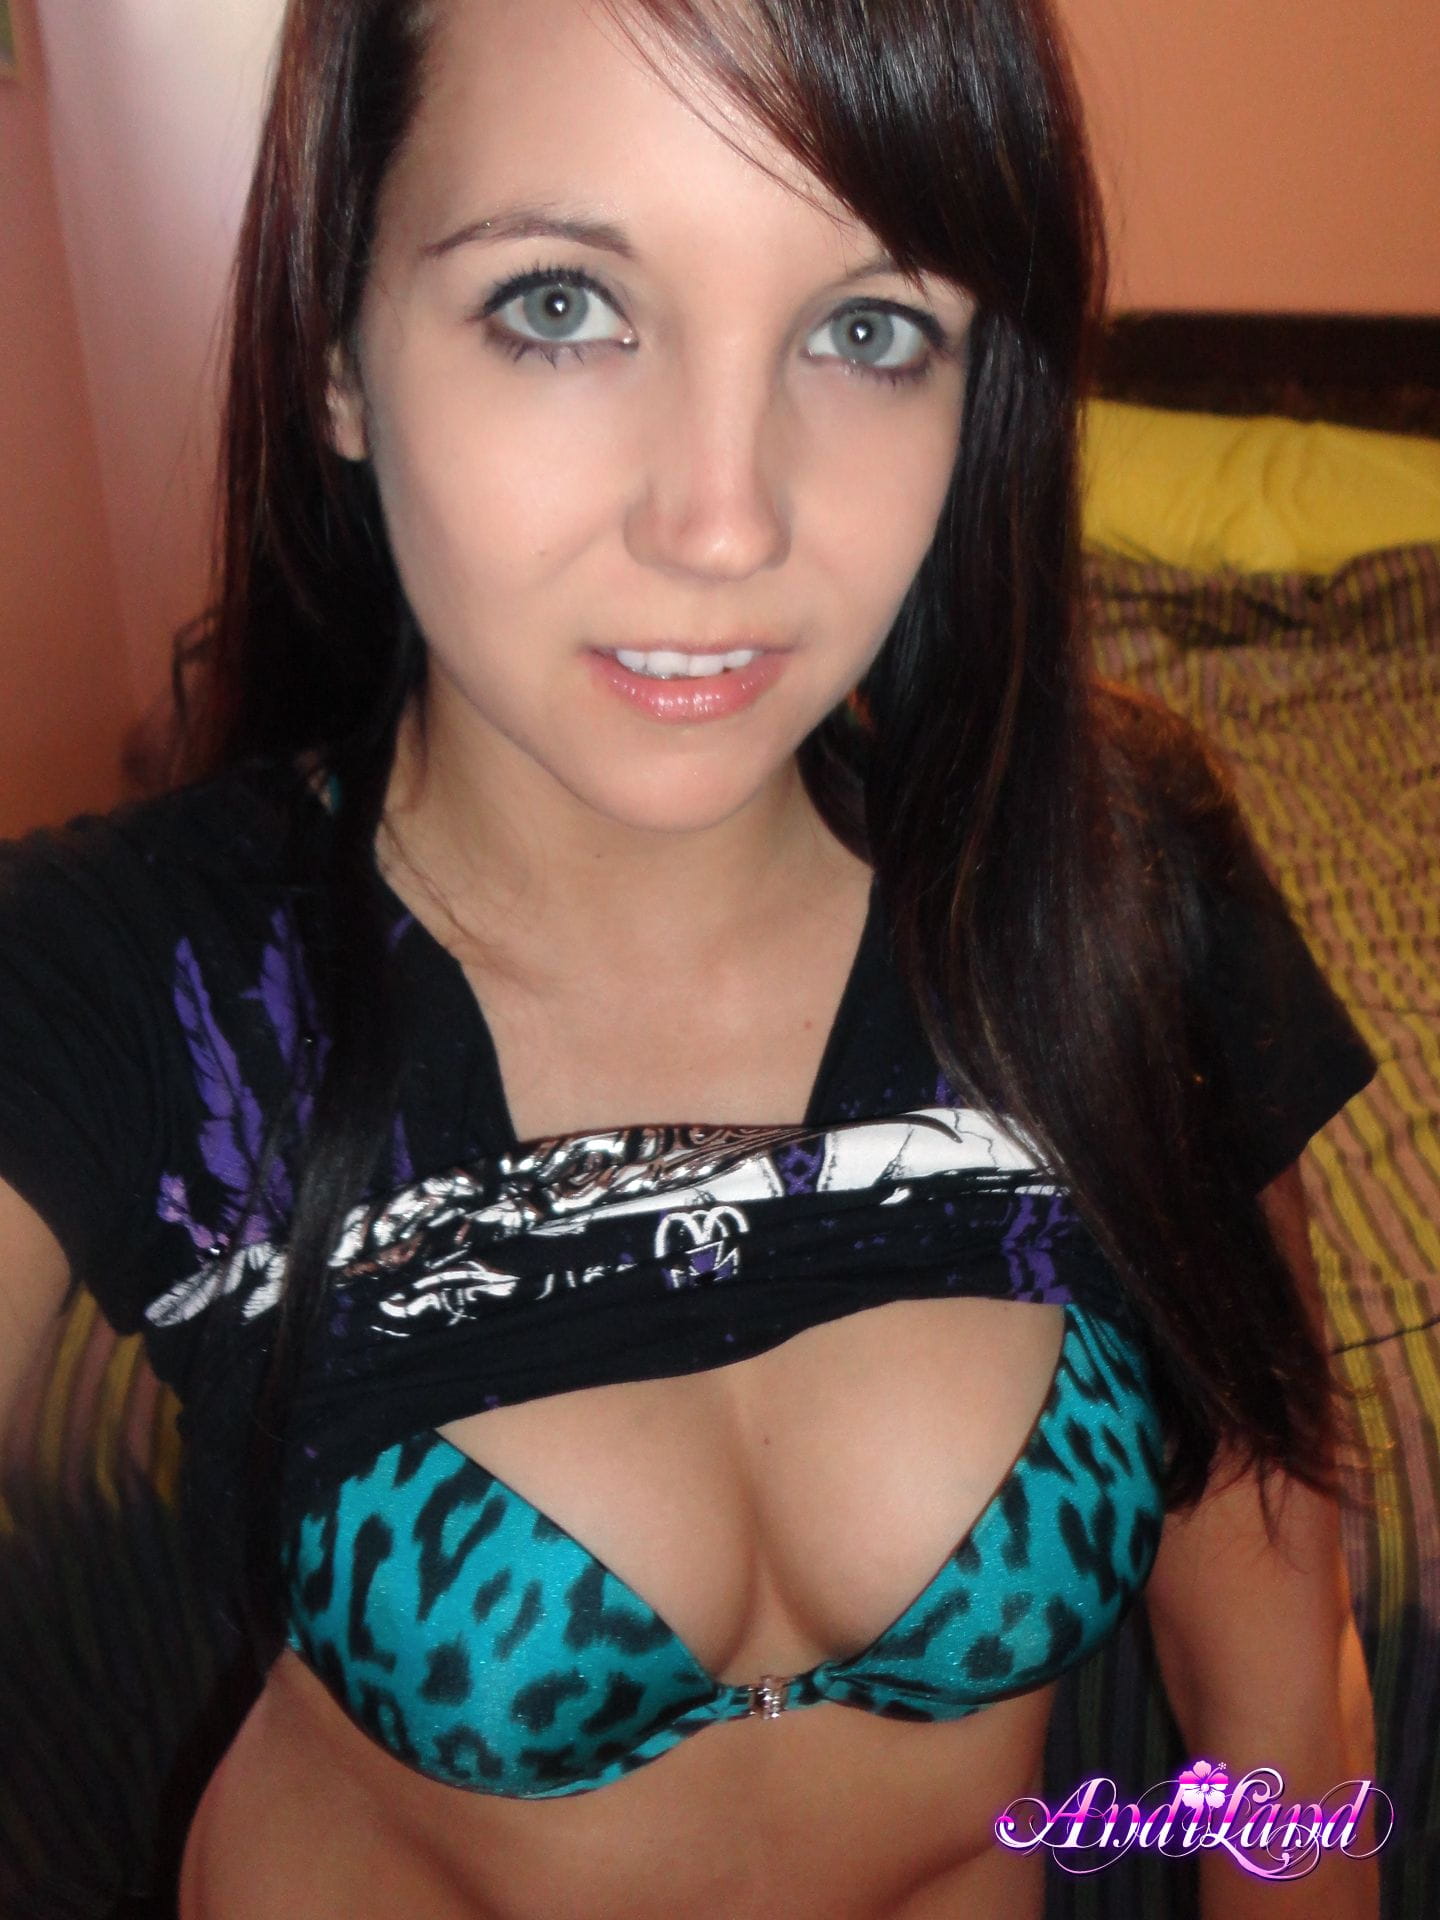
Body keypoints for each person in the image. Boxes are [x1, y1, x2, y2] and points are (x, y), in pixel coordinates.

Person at [0, 0, 1381, 1914]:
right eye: (561, 304)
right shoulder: (144, 981)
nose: (724, 525)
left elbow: (1284, 1682)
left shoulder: (1112, 888)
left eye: (866, 330)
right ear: (335, 347)